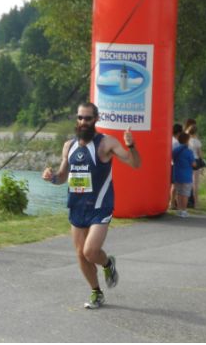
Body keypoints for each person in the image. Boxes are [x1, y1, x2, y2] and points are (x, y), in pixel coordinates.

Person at [42, 102, 141, 309]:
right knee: (80, 254)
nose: (83, 122)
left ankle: (107, 263)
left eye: (87, 118)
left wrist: (131, 145)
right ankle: (96, 291)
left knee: (90, 251)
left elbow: (135, 164)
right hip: (77, 206)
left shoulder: (106, 143)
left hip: (100, 207)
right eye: (80, 118)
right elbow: (62, 177)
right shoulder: (69, 146)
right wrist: (51, 177)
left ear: (96, 119)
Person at [172, 132, 197, 218]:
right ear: (187, 141)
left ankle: (179, 210)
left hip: (177, 174)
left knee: (179, 193)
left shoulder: (175, 151)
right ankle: (184, 210)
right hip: (186, 175)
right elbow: (193, 164)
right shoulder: (189, 152)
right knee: (185, 193)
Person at [186, 124, 203, 208]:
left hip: (186, 161)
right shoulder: (197, 141)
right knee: (195, 183)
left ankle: (185, 202)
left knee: (186, 182)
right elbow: (200, 154)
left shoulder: (186, 140)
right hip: (195, 160)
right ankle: (196, 203)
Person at [170, 123, 183, 210]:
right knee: (175, 185)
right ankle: (172, 204)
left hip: (169, 164)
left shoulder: (169, 139)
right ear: (178, 133)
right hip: (175, 164)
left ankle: (171, 202)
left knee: (171, 185)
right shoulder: (176, 143)